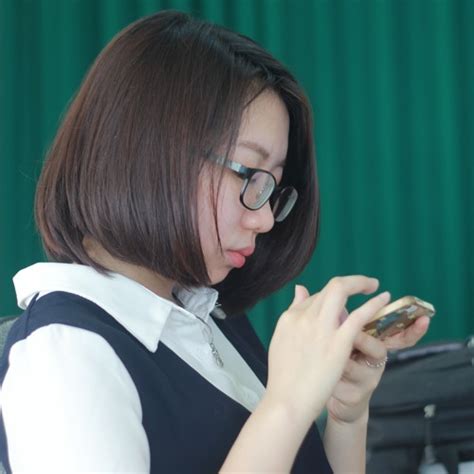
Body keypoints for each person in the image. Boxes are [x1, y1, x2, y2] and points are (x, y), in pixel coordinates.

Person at [0, 10, 429, 473]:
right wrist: (286, 404)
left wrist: (346, 415)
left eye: (273, 187)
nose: (265, 218)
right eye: (250, 175)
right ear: (152, 152)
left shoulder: (212, 322)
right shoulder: (63, 352)